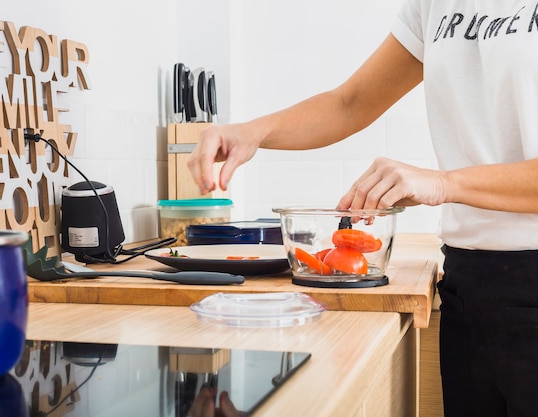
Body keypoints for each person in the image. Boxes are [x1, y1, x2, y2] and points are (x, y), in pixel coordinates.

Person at [186, 2, 538, 417]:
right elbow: (351, 103)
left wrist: (443, 183)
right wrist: (253, 131)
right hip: (469, 282)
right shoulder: (434, 5)